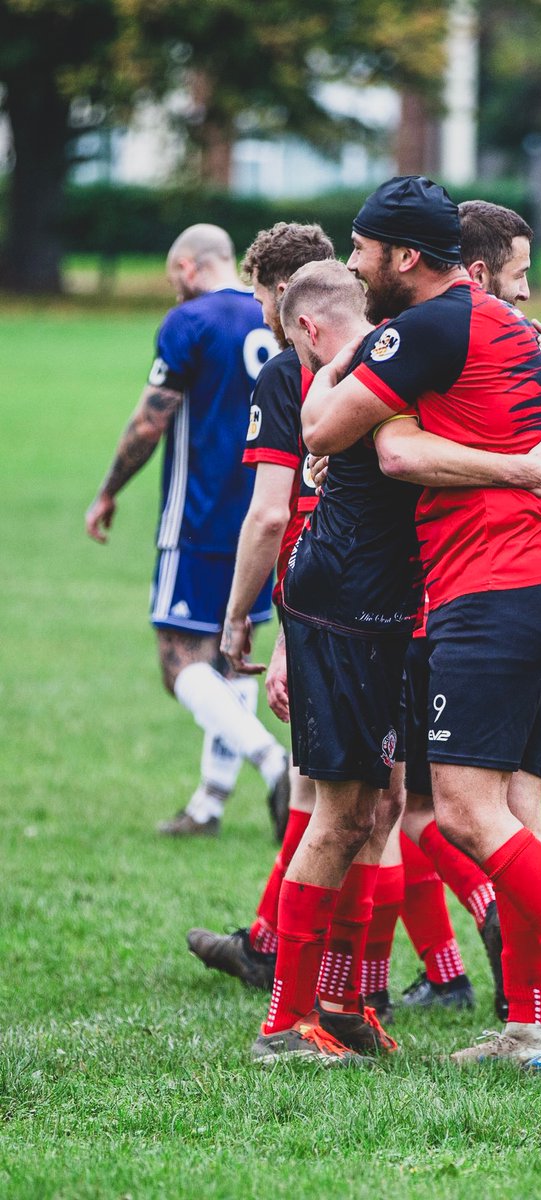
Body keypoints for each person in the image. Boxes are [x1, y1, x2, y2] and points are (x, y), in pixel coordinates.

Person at [301, 176, 541, 1085]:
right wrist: (520, 463)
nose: (351, 263)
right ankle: (533, 1029)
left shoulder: (422, 329)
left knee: (458, 813)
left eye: (362, 249)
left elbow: (346, 437)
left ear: (404, 258)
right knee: (512, 814)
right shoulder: (508, 330)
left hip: (487, 592)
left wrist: (339, 358)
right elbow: (540, 435)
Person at [251, 256, 541, 1065]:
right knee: (340, 814)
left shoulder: (387, 358)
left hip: (389, 618)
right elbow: (363, 457)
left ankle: (343, 1001)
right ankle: (285, 1025)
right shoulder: (364, 366)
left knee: (383, 809)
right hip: (342, 616)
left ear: (309, 331)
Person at [389, 199, 541, 1026]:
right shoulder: (526, 347)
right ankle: (529, 1018)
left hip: (469, 598)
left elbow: (391, 448)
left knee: (416, 810)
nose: (525, 300)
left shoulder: (446, 339)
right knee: (490, 811)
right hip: (522, 591)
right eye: (519, 280)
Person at [85, 224, 290, 838]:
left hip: (198, 516)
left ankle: (270, 759)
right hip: (266, 514)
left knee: (180, 666)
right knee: (235, 659)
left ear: (186, 265)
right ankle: (209, 802)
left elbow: (151, 423)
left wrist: (108, 490)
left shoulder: (191, 320)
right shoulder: (272, 317)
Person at [185, 220, 335, 987]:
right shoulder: (391, 353)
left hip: (326, 598)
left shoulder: (289, 372)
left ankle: (325, 976)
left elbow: (271, 512)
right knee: (378, 798)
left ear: (283, 295)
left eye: (258, 296)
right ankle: (275, 944)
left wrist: (242, 615)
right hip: (412, 591)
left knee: (347, 800)